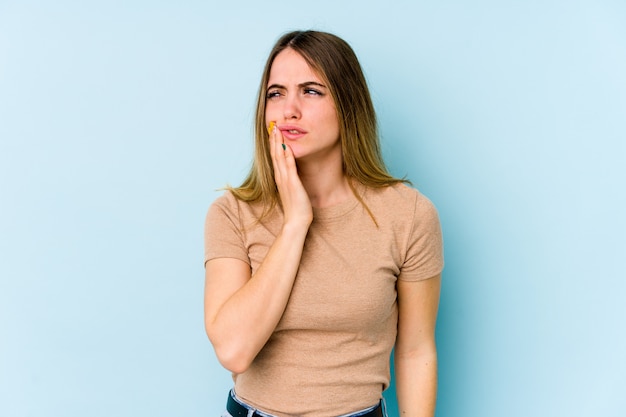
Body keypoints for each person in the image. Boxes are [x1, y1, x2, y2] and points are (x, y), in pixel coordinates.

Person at [204, 30, 444, 417]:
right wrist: (296, 222)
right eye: (276, 93)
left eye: (311, 91)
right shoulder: (233, 212)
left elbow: (416, 351)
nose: (289, 110)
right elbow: (234, 350)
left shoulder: (409, 215)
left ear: (348, 105)